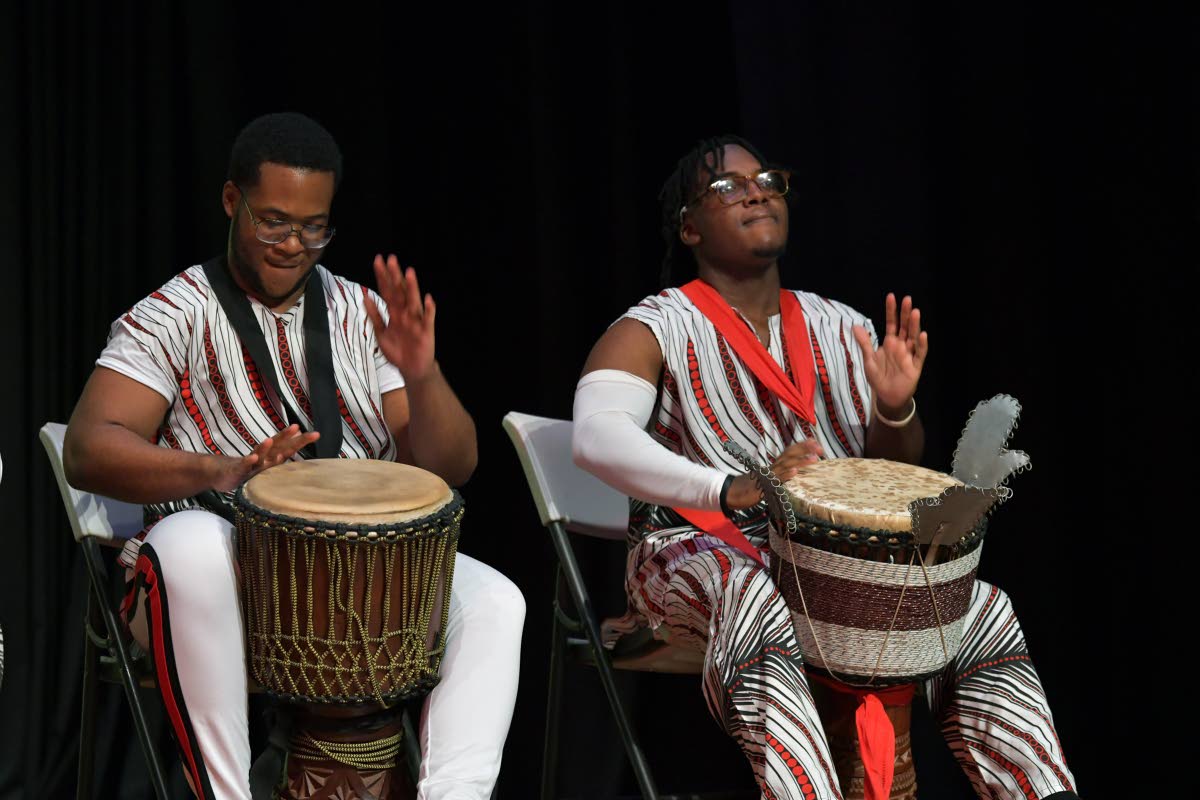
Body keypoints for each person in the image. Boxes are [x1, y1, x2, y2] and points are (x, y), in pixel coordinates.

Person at [572, 135, 1077, 800]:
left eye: (767, 180)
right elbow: (597, 439)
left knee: (980, 606)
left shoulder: (841, 326)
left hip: (828, 565)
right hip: (696, 552)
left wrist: (893, 409)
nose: (756, 193)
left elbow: (892, 467)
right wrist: (729, 488)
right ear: (688, 226)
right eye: (728, 186)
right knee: (752, 595)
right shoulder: (653, 327)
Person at [63, 112, 525, 800]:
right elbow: (86, 448)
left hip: (365, 584)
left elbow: (452, 467)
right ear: (232, 201)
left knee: (495, 598)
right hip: (218, 577)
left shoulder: (362, 313)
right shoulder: (173, 314)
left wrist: (422, 373)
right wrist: (224, 469)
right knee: (189, 542)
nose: (292, 245)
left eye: (314, 228)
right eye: (273, 221)